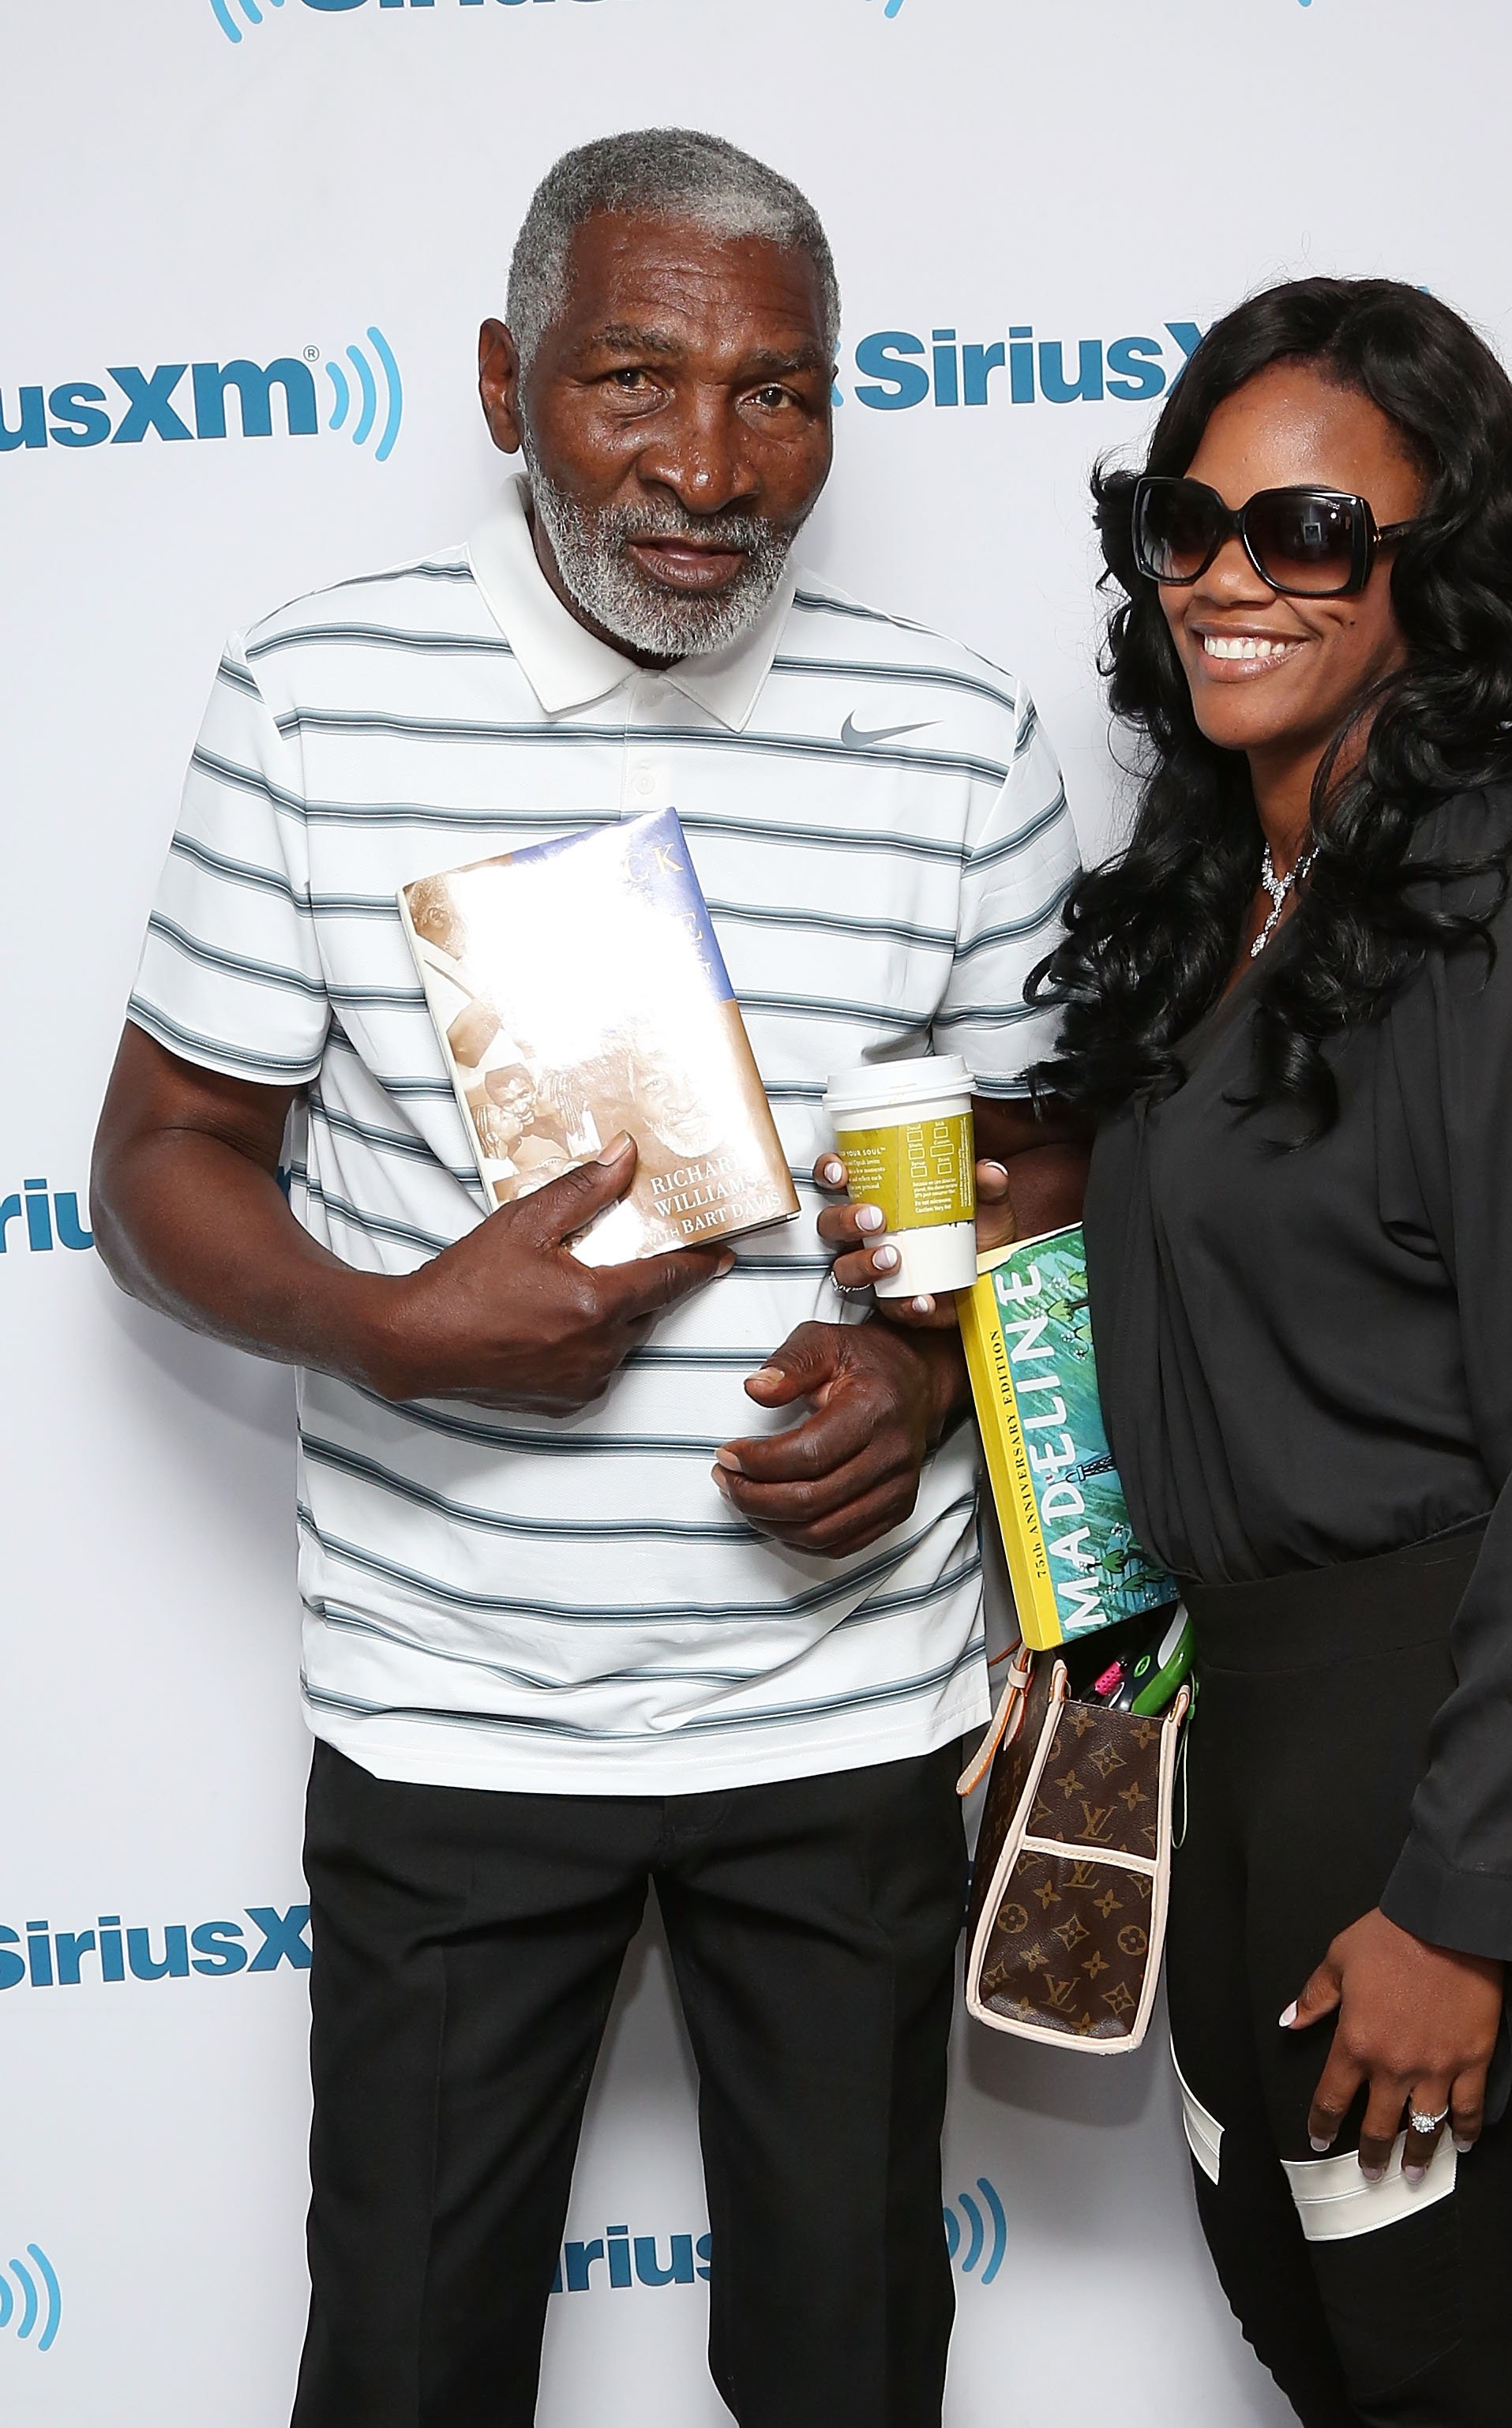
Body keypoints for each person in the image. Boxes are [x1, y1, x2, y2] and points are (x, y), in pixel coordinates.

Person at [89, 129, 1082, 2428]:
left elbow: (1054, 1156)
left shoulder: (949, 736)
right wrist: (384, 1318)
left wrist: (928, 1380)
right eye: (634, 379)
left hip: (847, 1727)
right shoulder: (317, 694)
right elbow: (160, 1157)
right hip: (454, 1722)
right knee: (411, 2377)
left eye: (779, 393)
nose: (711, 467)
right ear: (500, 380)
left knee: (850, 2376)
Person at [1025, 280, 1512, 2424]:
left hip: (1485, 1693)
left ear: (1434, 572)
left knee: (1435, 2358)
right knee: (1311, 2314)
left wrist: (1468, 1902)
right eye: (1188, 524)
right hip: (1262, 1706)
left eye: (1310, 532)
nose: (1231, 580)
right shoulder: (1215, 897)